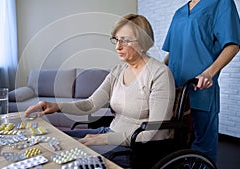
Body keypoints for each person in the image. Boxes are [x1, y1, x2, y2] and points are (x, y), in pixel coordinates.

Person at [25, 14, 175, 167]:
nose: (118, 46)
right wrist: (56, 106)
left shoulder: (160, 74)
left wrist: (103, 139)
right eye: (116, 40)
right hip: (110, 133)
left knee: (66, 152)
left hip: (137, 148)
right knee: (54, 140)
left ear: (143, 43)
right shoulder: (118, 71)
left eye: (125, 40)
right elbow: (90, 104)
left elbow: (151, 132)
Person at [162, 0, 240, 163]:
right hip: (175, 91)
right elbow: (172, 52)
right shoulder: (179, 13)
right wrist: (155, 72)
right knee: (175, 146)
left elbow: (233, 45)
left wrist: (209, 73)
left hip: (201, 89)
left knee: (202, 149)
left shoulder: (221, 3)